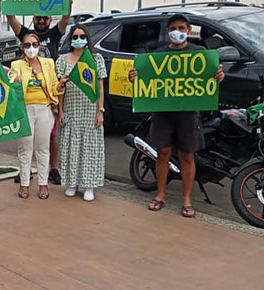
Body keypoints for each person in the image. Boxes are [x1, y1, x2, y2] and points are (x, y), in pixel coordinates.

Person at [128, 13, 225, 217]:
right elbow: (144, 80)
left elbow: (211, 78)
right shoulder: (158, 56)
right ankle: (160, 195)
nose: (177, 32)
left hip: (188, 113)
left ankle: (187, 200)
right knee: (162, 153)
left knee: (186, 155)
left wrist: (218, 76)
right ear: (168, 31)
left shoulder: (199, 54)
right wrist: (134, 77)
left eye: (181, 28)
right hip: (163, 112)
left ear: (189, 31)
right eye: (173, 29)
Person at [0, 0, 76, 185]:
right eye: (38, 18)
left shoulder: (54, 33)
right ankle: (25, 171)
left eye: (45, 18)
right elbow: (10, 18)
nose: (41, 21)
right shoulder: (24, 33)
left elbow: (67, 18)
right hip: (27, 96)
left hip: (50, 90)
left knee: (50, 134)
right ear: (34, 19)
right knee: (26, 137)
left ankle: (53, 168)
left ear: (50, 19)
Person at [9, 33, 64, 200]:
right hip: (25, 109)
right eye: (27, 45)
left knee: (43, 148)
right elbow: (10, 85)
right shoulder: (16, 64)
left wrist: (60, 86)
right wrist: (16, 82)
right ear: (22, 48)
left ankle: (43, 183)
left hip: (45, 109)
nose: (31, 48)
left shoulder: (48, 63)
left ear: (39, 46)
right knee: (25, 148)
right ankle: (24, 184)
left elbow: (54, 87)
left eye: (34, 44)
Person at [55, 24, 107, 201]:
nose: (78, 40)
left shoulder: (95, 58)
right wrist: (60, 111)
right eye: (75, 37)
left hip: (90, 109)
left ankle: (89, 185)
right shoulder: (62, 60)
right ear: (70, 40)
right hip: (71, 109)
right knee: (71, 146)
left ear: (87, 38)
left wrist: (100, 110)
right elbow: (59, 89)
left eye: (82, 36)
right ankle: (72, 183)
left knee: (90, 148)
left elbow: (100, 86)